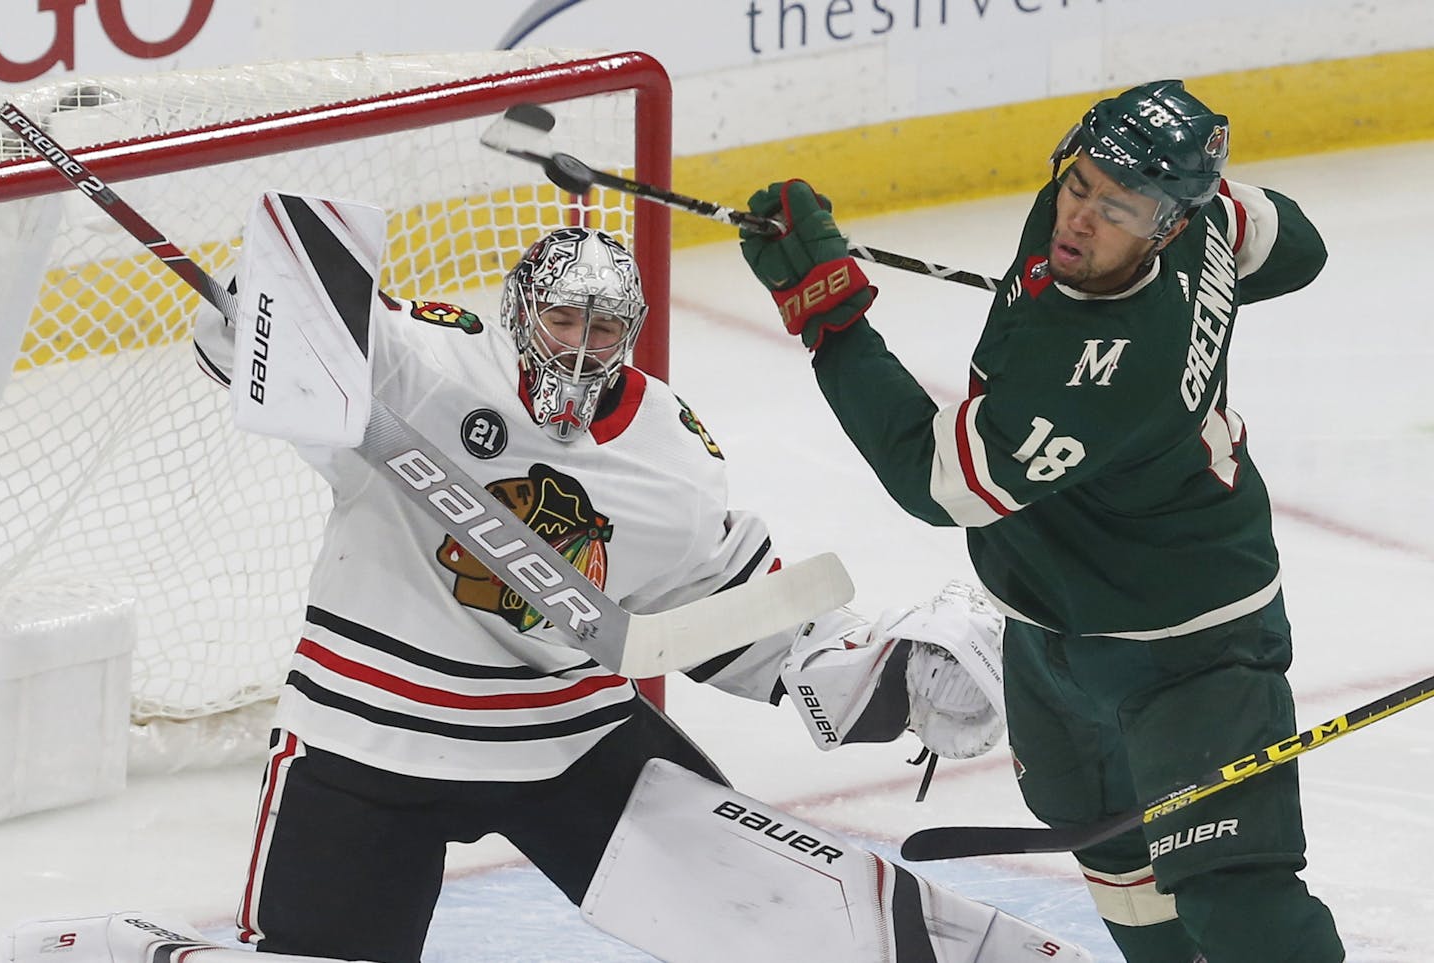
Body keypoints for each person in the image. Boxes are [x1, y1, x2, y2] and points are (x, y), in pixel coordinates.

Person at [190, 221, 1087, 963]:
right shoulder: (417, 363)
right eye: (563, 319)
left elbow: (718, 603)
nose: (581, 347)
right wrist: (257, 311)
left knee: (783, 915)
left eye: (605, 329)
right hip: (368, 737)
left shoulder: (667, 453)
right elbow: (260, 355)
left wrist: (872, 667)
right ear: (520, 311)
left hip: (566, 740)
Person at [738, 79, 1344, 962]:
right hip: (1045, 622)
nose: (1080, 219)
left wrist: (831, 319)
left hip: (1187, 644)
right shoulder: (1195, 219)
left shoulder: (1111, 373)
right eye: (1080, 184)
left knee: (1234, 898)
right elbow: (1298, 248)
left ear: (1168, 222)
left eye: (1119, 208)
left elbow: (935, 481)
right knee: (1113, 852)